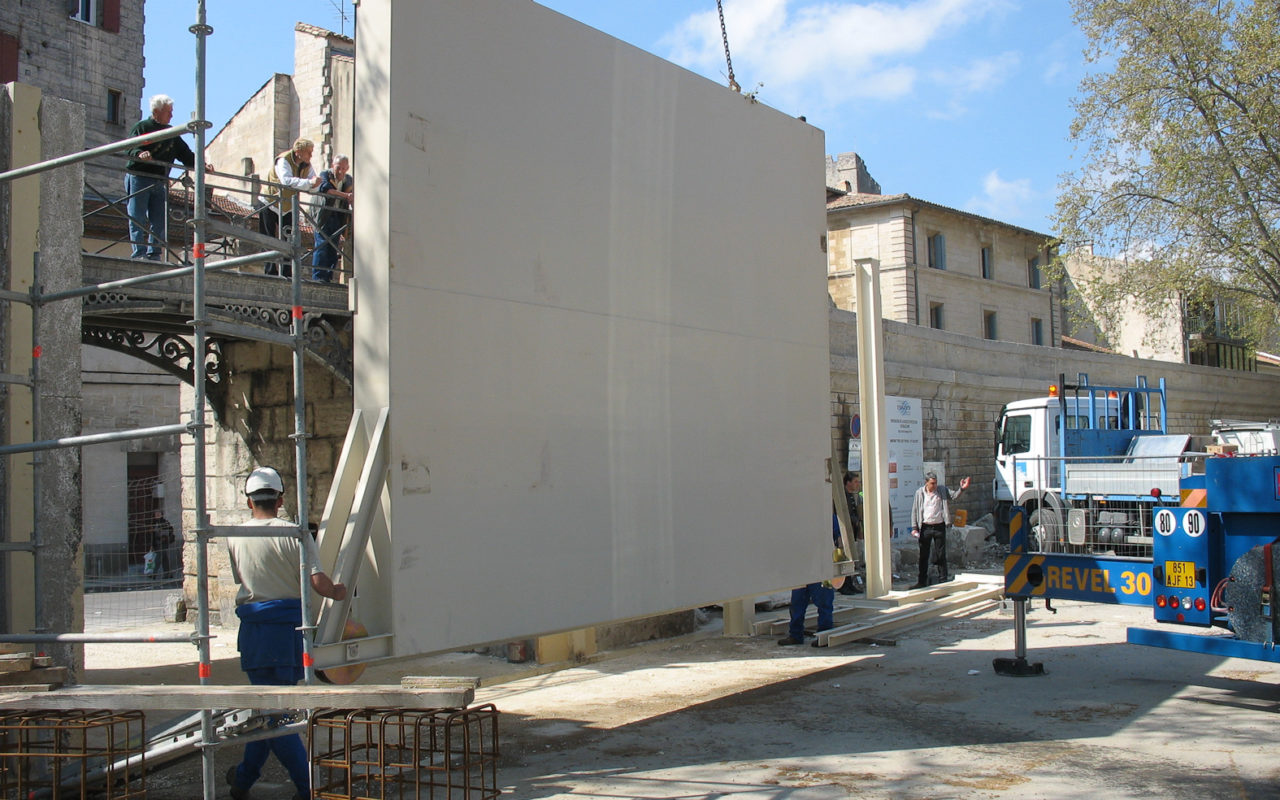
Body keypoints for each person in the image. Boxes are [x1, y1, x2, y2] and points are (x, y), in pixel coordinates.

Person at [224, 467, 346, 800]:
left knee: (268, 712)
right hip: (289, 632)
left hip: (254, 632)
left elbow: (241, 578)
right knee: (275, 717)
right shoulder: (295, 533)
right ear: (280, 499)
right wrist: (339, 592)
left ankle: (244, 782)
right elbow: (317, 583)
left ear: (249, 501)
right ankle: (307, 786)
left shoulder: (235, 534)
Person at [125, 94, 196, 261]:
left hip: (160, 180)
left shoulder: (171, 133)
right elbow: (129, 147)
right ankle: (139, 254)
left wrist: (201, 164)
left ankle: (154, 253)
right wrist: (139, 153)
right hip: (139, 177)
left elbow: (186, 155)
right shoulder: (142, 127)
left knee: (159, 219)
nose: (171, 115)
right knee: (138, 217)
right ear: (156, 112)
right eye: (168, 112)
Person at [260, 138, 321, 278]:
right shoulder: (283, 160)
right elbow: (286, 180)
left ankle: (286, 272)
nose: (311, 156)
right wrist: (310, 183)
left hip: (288, 206)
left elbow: (314, 185)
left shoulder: (307, 165)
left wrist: (313, 184)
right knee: (267, 238)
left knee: (290, 239)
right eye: (309, 153)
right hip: (270, 202)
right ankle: (270, 272)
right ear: (299, 152)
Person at [909, 471, 970, 588]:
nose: (934, 486)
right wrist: (914, 528)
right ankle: (921, 581)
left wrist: (961, 489)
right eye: (932, 483)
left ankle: (943, 580)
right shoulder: (919, 493)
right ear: (926, 483)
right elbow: (915, 510)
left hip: (939, 527)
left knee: (941, 555)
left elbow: (954, 496)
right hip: (925, 527)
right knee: (923, 555)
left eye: (935, 483)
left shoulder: (942, 490)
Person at [311, 154, 353, 283]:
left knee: (333, 248)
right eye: (338, 167)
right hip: (322, 215)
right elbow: (326, 190)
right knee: (322, 246)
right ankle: (318, 277)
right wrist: (346, 195)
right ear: (332, 166)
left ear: (347, 168)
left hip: (337, 216)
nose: (340, 171)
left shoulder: (348, 180)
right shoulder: (325, 174)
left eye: (343, 168)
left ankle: (327, 277)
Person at [149, 510, 175, 580]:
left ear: (161, 514)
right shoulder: (154, 523)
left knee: (158, 559)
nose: (157, 515)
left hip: (163, 543)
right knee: (164, 559)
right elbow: (152, 535)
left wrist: (164, 535)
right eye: (156, 513)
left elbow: (170, 530)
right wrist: (152, 544)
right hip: (156, 543)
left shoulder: (165, 522)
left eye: (158, 513)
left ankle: (154, 574)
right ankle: (168, 574)